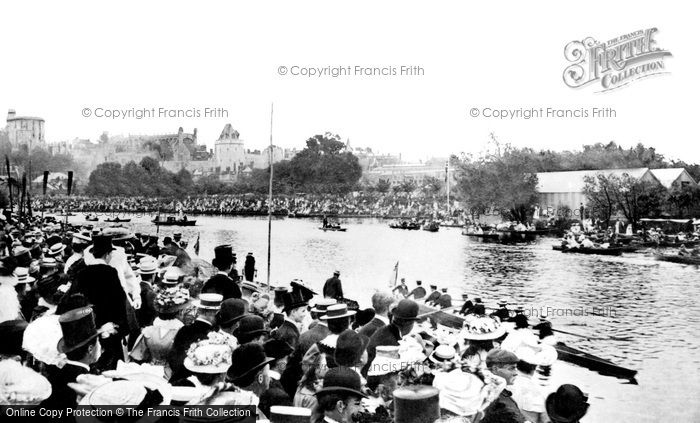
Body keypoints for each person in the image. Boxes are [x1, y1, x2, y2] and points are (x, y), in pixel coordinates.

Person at [42, 306, 104, 410]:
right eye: (98, 342)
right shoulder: (89, 383)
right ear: (90, 349)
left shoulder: (54, 374)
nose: (100, 347)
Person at [363, 299, 420, 377]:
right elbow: (388, 373)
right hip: (371, 377)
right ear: (408, 323)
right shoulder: (392, 343)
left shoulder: (387, 330)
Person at [480, 349, 527, 423]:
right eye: (511, 368)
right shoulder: (500, 400)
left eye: (516, 368)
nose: (516, 373)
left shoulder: (482, 387)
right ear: (495, 369)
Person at [259, 339, 295, 417]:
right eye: (287, 358)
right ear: (281, 363)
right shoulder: (280, 396)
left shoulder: (258, 382)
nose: (288, 362)